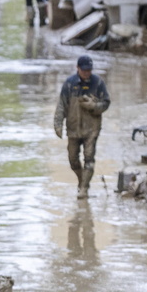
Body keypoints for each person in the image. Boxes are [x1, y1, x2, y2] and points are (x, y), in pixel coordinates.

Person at [53, 55, 110, 199]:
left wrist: (94, 106)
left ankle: (84, 188)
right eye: (84, 70)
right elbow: (61, 106)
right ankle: (81, 180)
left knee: (89, 158)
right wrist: (58, 124)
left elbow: (106, 103)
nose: (87, 73)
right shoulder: (69, 84)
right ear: (77, 68)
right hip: (73, 128)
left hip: (92, 129)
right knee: (73, 159)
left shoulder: (98, 83)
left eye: (89, 70)